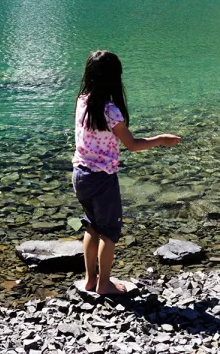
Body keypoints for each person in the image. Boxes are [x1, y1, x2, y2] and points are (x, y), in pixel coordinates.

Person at [72, 50, 181, 295]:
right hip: (102, 178)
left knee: (91, 226)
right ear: (114, 78)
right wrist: (160, 139)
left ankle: (90, 280)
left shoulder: (82, 100)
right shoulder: (111, 111)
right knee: (109, 232)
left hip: (80, 174)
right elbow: (132, 145)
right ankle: (104, 284)